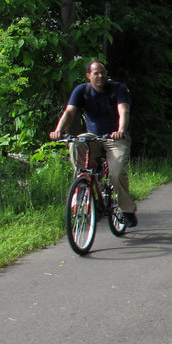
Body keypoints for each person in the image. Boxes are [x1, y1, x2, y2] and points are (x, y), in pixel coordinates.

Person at [50, 60, 138, 227]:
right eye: (96, 73)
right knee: (76, 142)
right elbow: (70, 112)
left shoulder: (118, 88)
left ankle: (127, 210)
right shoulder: (82, 90)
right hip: (93, 137)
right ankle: (84, 181)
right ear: (88, 76)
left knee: (117, 173)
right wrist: (59, 130)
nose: (100, 76)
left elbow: (124, 110)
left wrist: (120, 130)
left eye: (103, 72)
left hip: (115, 138)